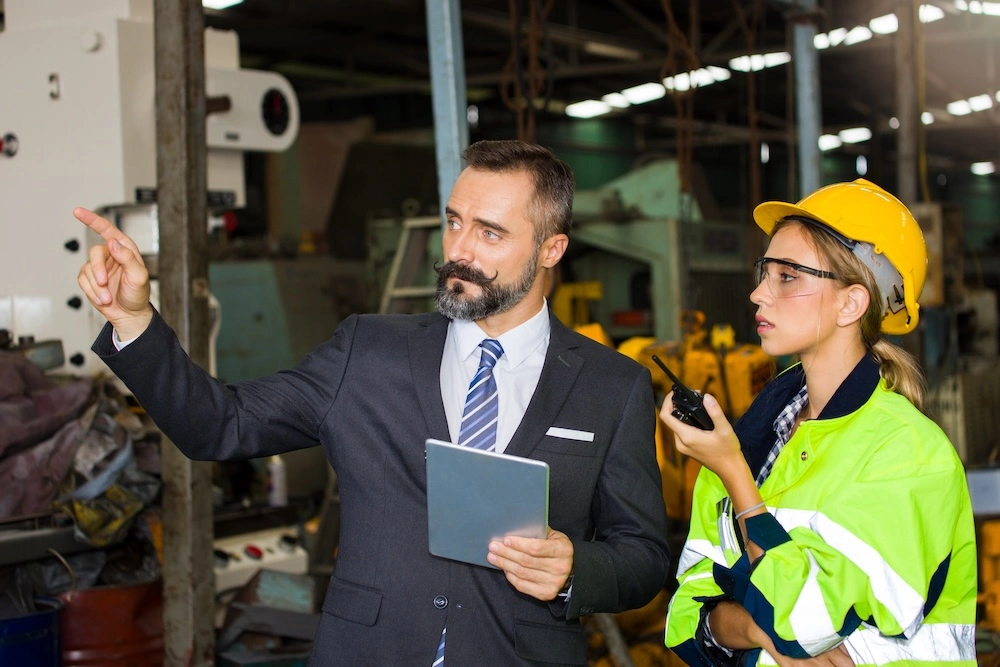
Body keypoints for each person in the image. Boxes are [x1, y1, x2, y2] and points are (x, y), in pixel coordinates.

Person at [75, 139, 670, 666]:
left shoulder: (611, 386)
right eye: (454, 222)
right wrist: (135, 322)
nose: (458, 250)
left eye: (490, 233)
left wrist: (574, 570)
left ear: (551, 248)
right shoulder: (368, 352)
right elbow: (219, 426)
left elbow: (643, 555)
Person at [662, 179, 976, 666]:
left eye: (787, 277)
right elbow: (686, 622)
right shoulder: (749, 439)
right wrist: (757, 629)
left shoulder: (909, 453)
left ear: (851, 303)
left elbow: (803, 625)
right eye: (765, 272)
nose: (757, 294)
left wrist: (737, 479)